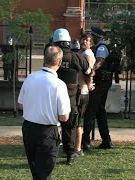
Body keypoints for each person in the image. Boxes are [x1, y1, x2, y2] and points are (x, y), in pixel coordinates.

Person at [18, 46, 70, 180]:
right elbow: (64, 117)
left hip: (29, 129)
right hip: (47, 132)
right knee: (44, 174)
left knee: (36, 172)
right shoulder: (59, 85)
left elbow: (21, 103)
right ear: (59, 62)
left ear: (44, 59)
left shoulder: (30, 78)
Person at [53, 28, 93, 164]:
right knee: (69, 126)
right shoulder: (76, 57)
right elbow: (88, 71)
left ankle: (50, 149)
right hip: (70, 97)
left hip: (52, 95)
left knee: (50, 123)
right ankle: (70, 154)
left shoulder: (52, 55)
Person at [82, 26, 113, 150]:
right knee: (100, 112)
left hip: (101, 83)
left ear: (96, 36)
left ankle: (85, 142)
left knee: (91, 112)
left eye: (92, 36)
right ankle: (106, 140)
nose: (90, 38)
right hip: (103, 83)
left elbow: (99, 62)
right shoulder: (101, 47)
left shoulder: (101, 48)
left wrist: (90, 70)